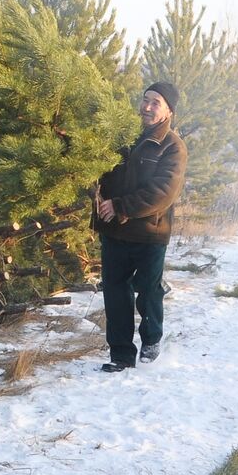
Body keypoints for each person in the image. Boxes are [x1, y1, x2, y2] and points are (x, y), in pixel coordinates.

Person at [93, 82, 188, 372]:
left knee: (148, 290)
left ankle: (152, 339)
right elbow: (98, 171)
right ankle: (121, 355)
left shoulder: (172, 147)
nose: (147, 107)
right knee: (115, 292)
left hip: (150, 233)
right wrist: (96, 196)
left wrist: (120, 206)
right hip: (114, 230)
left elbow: (163, 192)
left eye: (155, 102)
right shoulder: (124, 138)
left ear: (169, 110)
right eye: (145, 100)